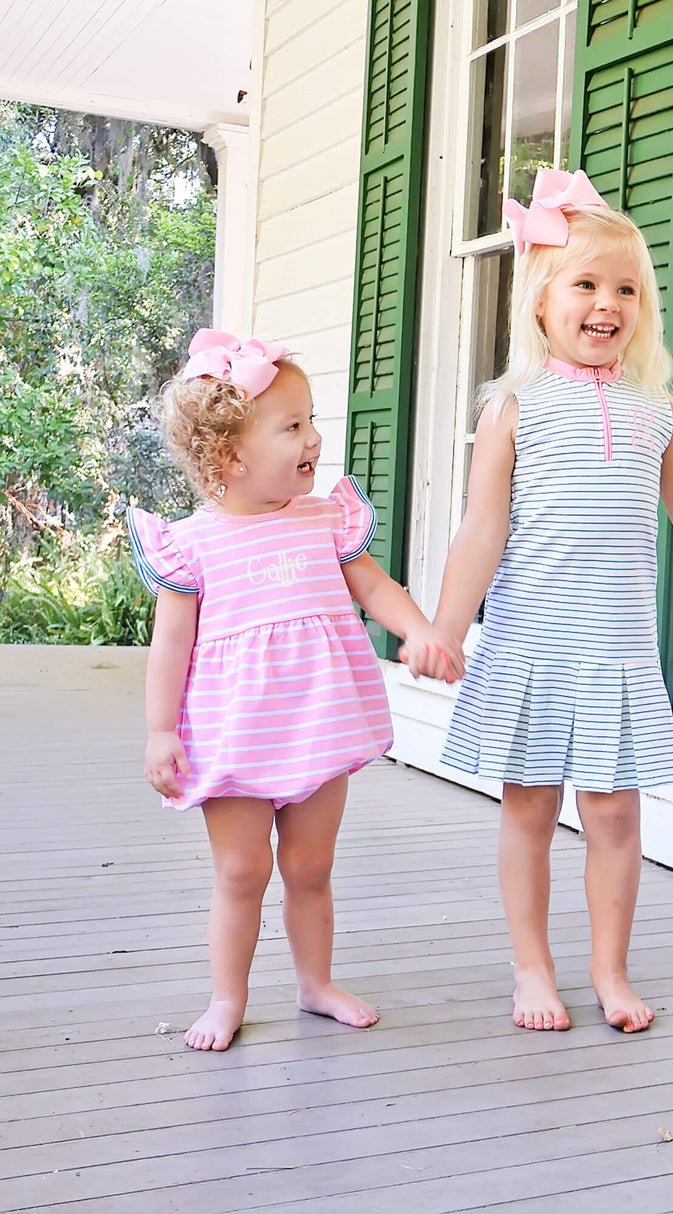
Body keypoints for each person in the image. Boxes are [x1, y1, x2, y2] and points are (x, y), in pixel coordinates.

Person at [413, 169, 673, 1033]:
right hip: (535, 642)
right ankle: (533, 968)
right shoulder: (515, 407)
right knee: (529, 810)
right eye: (587, 284)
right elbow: (481, 530)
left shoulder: (655, 409)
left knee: (615, 817)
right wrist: (447, 627)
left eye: (626, 288)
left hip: (618, 651)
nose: (608, 304)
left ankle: (609, 970)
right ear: (541, 300)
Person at [127, 330, 464, 1051]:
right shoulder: (193, 544)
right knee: (242, 872)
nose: (314, 438)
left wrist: (419, 630)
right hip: (233, 734)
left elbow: (373, 584)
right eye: (292, 426)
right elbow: (172, 646)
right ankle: (227, 998)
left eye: (312, 420)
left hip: (316, 722)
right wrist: (162, 731)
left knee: (310, 867)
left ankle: (316, 986)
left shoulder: (325, 520)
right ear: (229, 457)